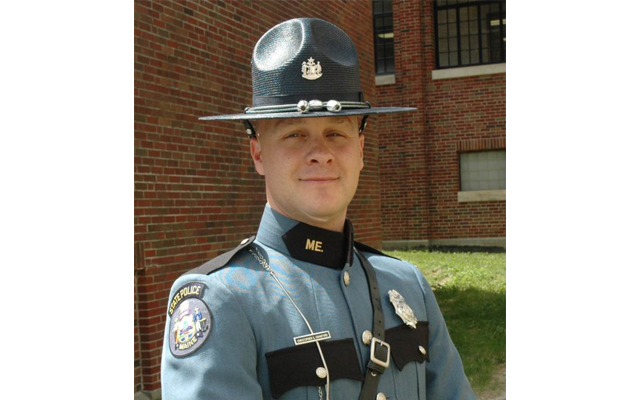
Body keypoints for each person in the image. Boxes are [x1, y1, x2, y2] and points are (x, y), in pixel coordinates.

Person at [161, 18, 476, 400]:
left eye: (336, 133)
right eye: (295, 134)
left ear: (360, 150)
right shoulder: (222, 300)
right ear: (258, 153)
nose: (321, 154)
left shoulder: (407, 285)